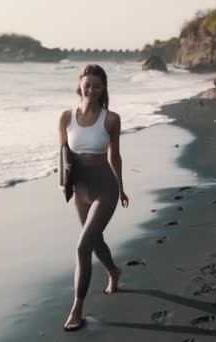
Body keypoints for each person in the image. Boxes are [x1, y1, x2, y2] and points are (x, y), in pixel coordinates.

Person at [58, 64, 129, 331]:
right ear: (80, 84)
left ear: (103, 89)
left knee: (82, 246)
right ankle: (114, 271)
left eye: (97, 86)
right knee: (95, 241)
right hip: (80, 190)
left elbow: (115, 155)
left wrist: (121, 187)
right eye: (87, 84)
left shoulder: (111, 119)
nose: (91, 90)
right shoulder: (66, 117)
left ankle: (77, 307)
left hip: (105, 189)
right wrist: (63, 184)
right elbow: (62, 153)